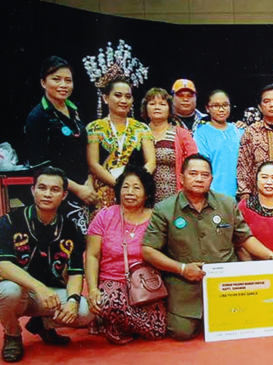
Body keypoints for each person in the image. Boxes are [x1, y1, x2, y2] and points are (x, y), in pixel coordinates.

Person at [142, 154, 273, 341]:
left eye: (205, 175)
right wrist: (181, 269)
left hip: (226, 284)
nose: (199, 179)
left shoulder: (227, 204)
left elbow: (245, 238)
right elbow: (148, 250)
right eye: (193, 174)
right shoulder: (164, 209)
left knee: (238, 328)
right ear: (181, 177)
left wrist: (271, 256)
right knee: (182, 333)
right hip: (185, 284)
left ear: (211, 179)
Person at [0, 168, 94, 362]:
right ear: (33, 190)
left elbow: (76, 271)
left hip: (50, 295)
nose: (47, 194)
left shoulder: (71, 228)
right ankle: (12, 334)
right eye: (42, 188)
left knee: (86, 311)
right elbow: (3, 265)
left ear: (64, 195)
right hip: (20, 292)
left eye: (54, 189)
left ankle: (42, 325)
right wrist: (38, 287)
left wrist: (73, 300)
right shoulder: (10, 221)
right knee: (8, 290)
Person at [85, 165, 166, 344]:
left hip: (145, 284)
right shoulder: (104, 216)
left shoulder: (157, 218)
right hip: (111, 281)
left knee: (157, 330)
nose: (130, 192)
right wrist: (91, 289)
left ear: (147, 193)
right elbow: (92, 255)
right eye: (125, 187)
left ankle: (117, 323)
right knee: (109, 302)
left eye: (136, 188)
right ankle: (114, 319)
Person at [25, 56, 96, 234]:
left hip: (84, 190)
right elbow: (40, 166)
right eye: (56, 79)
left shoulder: (73, 109)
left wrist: (88, 181)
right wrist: (77, 189)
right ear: (43, 82)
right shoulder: (37, 117)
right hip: (59, 193)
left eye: (68, 80)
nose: (63, 85)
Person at [86, 77, 156, 214]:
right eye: (118, 95)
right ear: (105, 98)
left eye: (128, 96)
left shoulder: (142, 128)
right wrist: (119, 184)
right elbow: (93, 164)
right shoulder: (94, 128)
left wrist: (135, 183)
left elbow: (151, 162)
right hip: (103, 191)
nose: (123, 100)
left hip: (134, 192)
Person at [142, 87, 198, 204]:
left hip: (175, 199)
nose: (157, 107)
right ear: (146, 108)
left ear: (169, 108)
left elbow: (194, 164)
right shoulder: (138, 132)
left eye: (162, 104)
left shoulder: (181, 134)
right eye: (152, 104)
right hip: (143, 198)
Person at [194, 90, 243, 197]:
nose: (221, 109)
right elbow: (202, 166)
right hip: (213, 194)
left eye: (225, 105)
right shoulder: (201, 134)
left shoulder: (239, 131)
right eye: (216, 105)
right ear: (207, 108)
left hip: (241, 194)